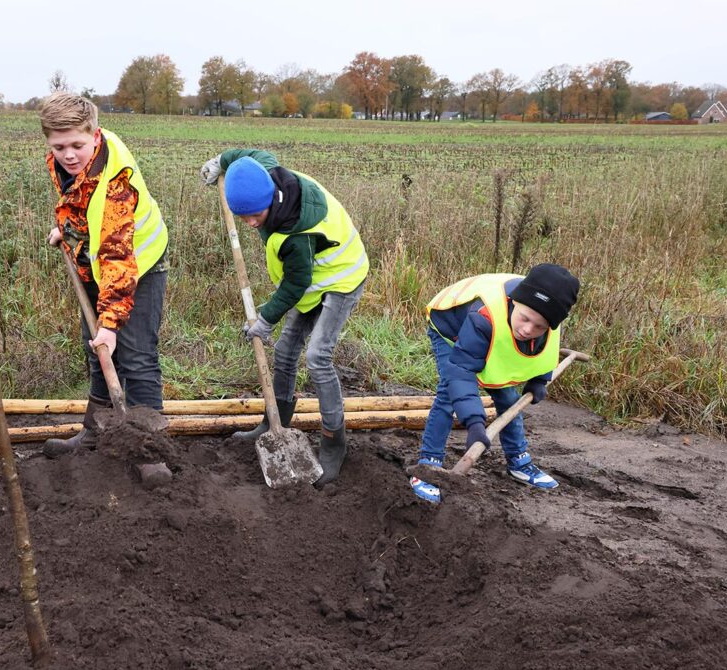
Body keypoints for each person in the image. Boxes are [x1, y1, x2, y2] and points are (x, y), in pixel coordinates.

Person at [200, 150, 368, 485]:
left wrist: (265, 319)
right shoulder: (265, 172)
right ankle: (275, 421)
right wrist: (222, 160)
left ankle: (334, 444)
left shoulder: (297, 230)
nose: (249, 223)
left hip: (342, 279)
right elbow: (245, 155)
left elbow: (296, 283)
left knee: (318, 356)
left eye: (254, 216)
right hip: (314, 275)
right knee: (287, 349)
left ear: (270, 201)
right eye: (243, 217)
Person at [38, 93, 169, 455]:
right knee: (96, 349)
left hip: (137, 263)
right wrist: (69, 229)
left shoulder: (116, 183)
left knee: (136, 354)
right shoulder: (66, 160)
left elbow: (117, 256)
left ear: (95, 136)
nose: (68, 155)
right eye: (59, 146)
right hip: (96, 261)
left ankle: (151, 450)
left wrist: (110, 325)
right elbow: (79, 201)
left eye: (77, 145)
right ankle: (95, 434)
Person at [409, 264, 580, 504]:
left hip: (491, 333)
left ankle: (518, 461)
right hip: (450, 326)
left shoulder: (548, 320)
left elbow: (543, 353)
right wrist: (474, 423)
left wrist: (539, 379)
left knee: (508, 397)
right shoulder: (484, 317)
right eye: (525, 319)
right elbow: (462, 372)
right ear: (515, 302)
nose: (528, 329)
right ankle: (428, 465)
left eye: (539, 326)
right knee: (448, 395)